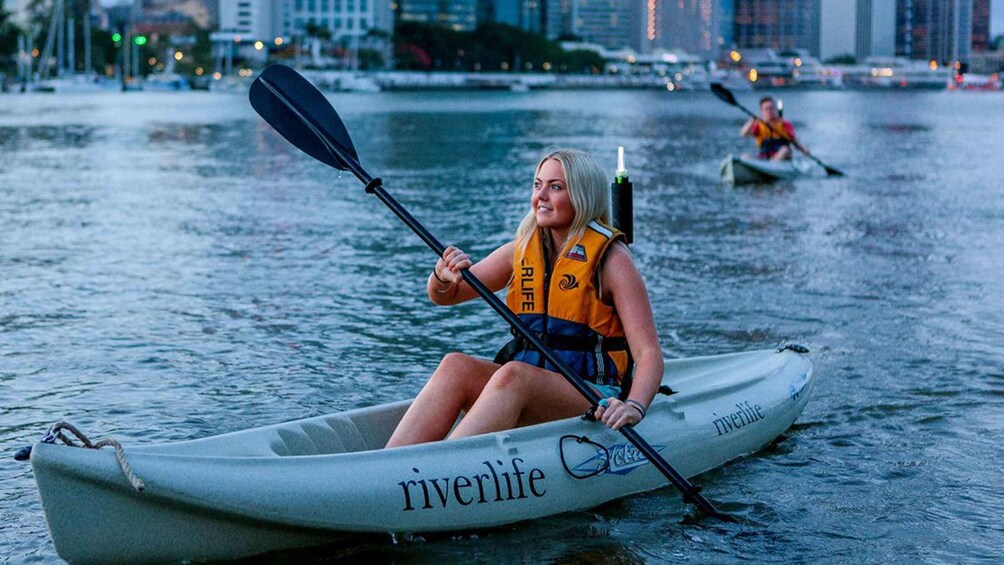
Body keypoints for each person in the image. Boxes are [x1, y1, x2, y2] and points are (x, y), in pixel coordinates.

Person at [385, 149, 664, 448]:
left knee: (515, 375)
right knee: (456, 366)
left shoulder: (612, 259)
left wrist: (633, 406)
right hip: (531, 384)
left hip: (593, 393)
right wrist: (442, 274)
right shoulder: (520, 251)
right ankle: (391, 463)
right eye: (537, 185)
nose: (541, 195)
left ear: (583, 195)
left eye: (555, 187)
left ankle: (441, 469)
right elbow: (447, 295)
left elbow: (649, 354)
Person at [740, 96, 809, 161]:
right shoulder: (758, 125)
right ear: (761, 112)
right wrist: (752, 119)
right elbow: (744, 134)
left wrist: (804, 150)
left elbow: (795, 142)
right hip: (765, 157)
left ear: (775, 109)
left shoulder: (785, 124)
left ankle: (772, 164)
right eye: (766, 109)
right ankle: (767, 166)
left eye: (771, 108)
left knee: (785, 149)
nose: (769, 111)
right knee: (745, 156)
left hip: (783, 158)